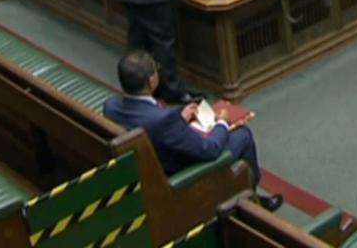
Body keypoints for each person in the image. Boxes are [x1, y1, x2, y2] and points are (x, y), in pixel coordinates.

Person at [103, 49, 283, 211]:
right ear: (151, 81)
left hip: (148, 168)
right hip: (177, 171)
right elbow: (209, 150)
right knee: (243, 135)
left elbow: (150, 124)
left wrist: (180, 119)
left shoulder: (111, 106)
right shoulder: (163, 120)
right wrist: (222, 123)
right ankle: (252, 200)